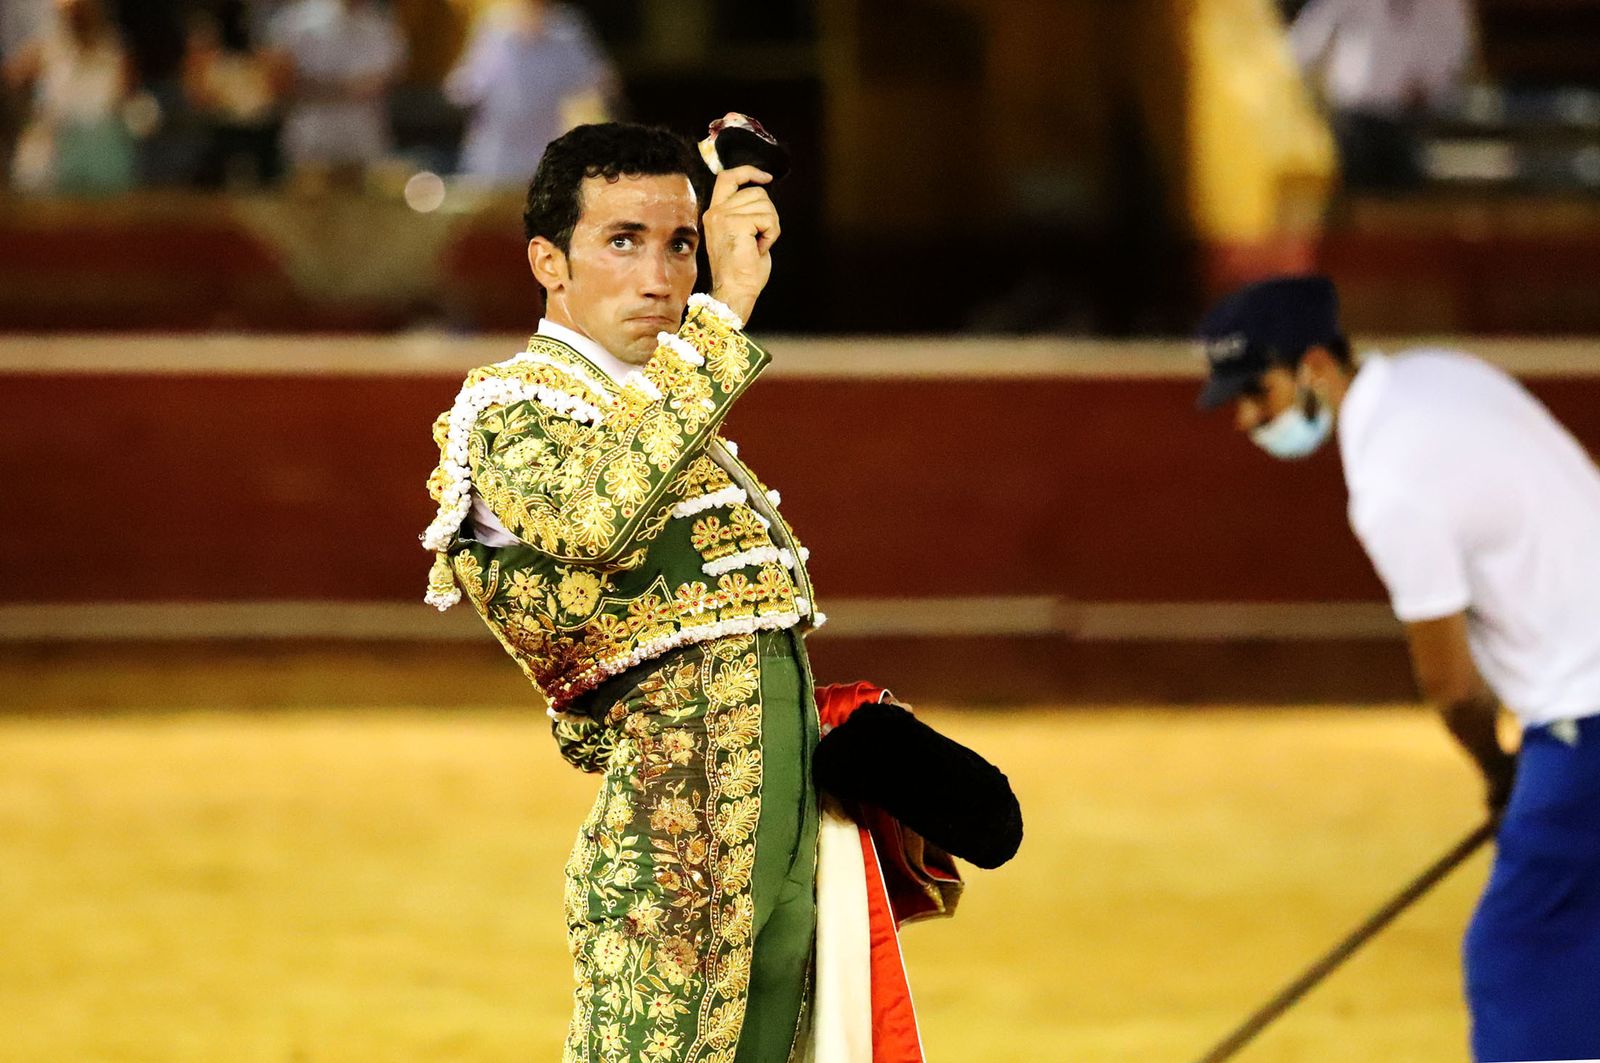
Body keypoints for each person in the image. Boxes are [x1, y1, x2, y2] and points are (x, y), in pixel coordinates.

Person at [419, 122, 822, 1062]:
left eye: (682, 243)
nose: (664, 278)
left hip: (778, 853)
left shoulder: (673, 420)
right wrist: (725, 320)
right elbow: (599, 516)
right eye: (623, 241)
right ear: (547, 262)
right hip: (668, 870)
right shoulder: (513, 406)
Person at [1196, 275, 1600, 1063]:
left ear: (1314, 366)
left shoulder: (1389, 481)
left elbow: (1449, 684)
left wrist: (1499, 771)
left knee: (1519, 957)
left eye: (1257, 393)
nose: (1248, 418)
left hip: (1583, 717)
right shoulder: (1447, 375)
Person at [1289, 0, 1475, 189]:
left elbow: (1456, 54)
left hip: (1413, 122)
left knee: (1406, 197)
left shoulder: (1445, 5)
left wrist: (1430, 85)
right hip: (1353, 120)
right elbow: (1304, 43)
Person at [444, 0, 612, 184]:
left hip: (548, 162)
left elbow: (598, 83)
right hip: (495, 165)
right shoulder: (494, 29)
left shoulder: (566, 30)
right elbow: (464, 88)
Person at [264, 0, 404, 189]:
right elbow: (280, 80)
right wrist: (346, 89)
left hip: (362, 138)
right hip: (311, 137)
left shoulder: (380, 26)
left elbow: (381, 82)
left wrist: (320, 88)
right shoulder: (297, 20)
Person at [3, 0, 135, 195]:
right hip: (56, 141)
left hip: (102, 145)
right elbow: (13, 77)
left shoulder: (113, 50)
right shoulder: (49, 46)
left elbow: (123, 98)